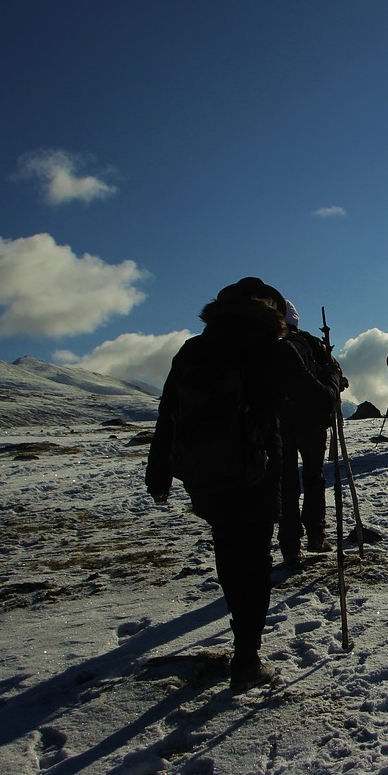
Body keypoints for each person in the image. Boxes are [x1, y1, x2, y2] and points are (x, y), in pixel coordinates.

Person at [147, 277, 335, 693]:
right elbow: (320, 401)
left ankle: (243, 647)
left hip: (203, 472)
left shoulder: (195, 349)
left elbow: (169, 412)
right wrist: (330, 377)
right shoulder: (271, 347)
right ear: (269, 309)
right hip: (257, 467)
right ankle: (247, 659)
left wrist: (158, 471)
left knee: (229, 551)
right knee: (253, 561)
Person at [278, 299, 345, 564]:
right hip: (313, 421)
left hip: (280, 422)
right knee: (314, 477)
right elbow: (333, 371)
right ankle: (316, 534)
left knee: (287, 482)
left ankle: (289, 545)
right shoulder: (311, 343)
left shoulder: (268, 347)